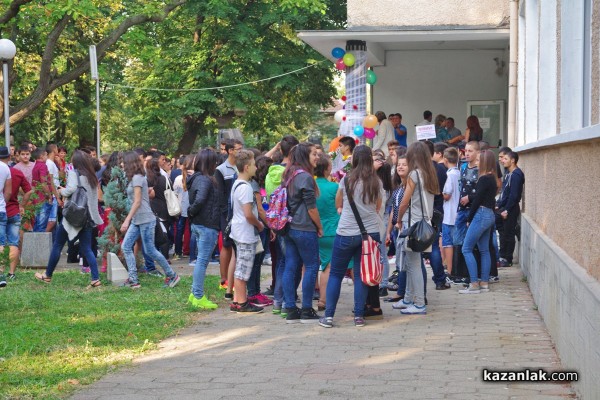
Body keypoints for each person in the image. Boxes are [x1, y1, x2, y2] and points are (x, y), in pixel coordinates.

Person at [319, 145, 383, 328]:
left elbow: (338, 202)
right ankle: (359, 317)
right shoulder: (376, 182)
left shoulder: (346, 180)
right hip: (369, 234)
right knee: (361, 275)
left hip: (346, 233)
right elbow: (378, 206)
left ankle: (329, 316)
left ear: (354, 159)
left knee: (336, 274)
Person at [34, 150, 103, 287]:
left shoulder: (74, 173)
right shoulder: (92, 176)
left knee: (58, 245)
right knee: (87, 248)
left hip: (73, 217)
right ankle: (95, 278)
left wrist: (60, 191)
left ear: (76, 162)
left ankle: (47, 275)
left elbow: (70, 189)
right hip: (88, 217)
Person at [119, 151, 180, 289]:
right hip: (138, 219)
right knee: (126, 246)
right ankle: (134, 279)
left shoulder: (138, 178)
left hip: (145, 219)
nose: (122, 164)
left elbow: (138, 201)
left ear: (130, 163)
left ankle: (172, 275)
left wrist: (126, 220)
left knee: (150, 250)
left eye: (124, 162)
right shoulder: (136, 177)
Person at [393, 141, 439, 314]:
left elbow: (405, 201)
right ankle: (408, 298)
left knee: (413, 264)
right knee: (413, 262)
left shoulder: (414, 174)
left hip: (413, 224)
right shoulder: (429, 173)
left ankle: (418, 303)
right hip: (424, 222)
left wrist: (398, 219)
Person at [282, 143, 323, 324]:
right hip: (304, 228)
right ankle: (307, 309)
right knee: (312, 266)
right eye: (314, 154)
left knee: (291, 266)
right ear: (305, 156)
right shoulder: (305, 177)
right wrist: (319, 227)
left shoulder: (289, 173)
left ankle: (290, 308)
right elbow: (311, 208)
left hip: (289, 228)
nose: (317, 157)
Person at [228, 149, 264, 313]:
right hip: (245, 232)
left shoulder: (237, 183)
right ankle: (242, 302)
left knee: (240, 267)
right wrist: (259, 224)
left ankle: (237, 300)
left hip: (238, 230)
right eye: (254, 164)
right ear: (247, 167)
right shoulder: (246, 188)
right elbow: (249, 214)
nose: (256, 168)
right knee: (243, 269)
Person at [459, 150, 498, 294]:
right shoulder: (492, 178)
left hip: (481, 214)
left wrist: (469, 219)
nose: (476, 161)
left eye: (479, 159)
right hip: (489, 215)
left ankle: (474, 283)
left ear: (484, 162)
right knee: (484, 250)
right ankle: (484, 283)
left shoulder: (483, 179)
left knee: (466, 248)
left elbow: (477, 200)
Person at [187, 149, 221, 310]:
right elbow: (199, 200)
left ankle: (195, 293)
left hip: (202, 223)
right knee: (202, 261)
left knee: (202, 260)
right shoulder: (204, 180)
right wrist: (191, 211)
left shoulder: (197, 178)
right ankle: (199, 295)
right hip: (206, 225)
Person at [215, 139, 243, 296]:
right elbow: (220, 194)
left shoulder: (241, 167)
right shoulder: (221, 170)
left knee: (236, 246)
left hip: (239, 212)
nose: (240, 151)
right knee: (226, 245)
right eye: (238, 149)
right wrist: (226, 213)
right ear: (230, 150)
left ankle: (233, 279)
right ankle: (223, 279)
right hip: (227, 213)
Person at [0, 147, 31, 284]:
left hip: (1, 210)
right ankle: (11, 273)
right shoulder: (15, 172)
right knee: (13, 242)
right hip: (13, 210)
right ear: (9, 157)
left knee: (0, 243)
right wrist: (22, 205)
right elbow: (29, 191)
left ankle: (0, 272)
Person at [314, 153, 338, 311]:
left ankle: (322, 300)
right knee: (334, 268)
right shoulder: (334, 187)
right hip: (334, 229)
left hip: (318, 230)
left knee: (325, 266)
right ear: (327, 168)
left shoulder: (313, 186)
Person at [496, 151, 524, 268]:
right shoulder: (508, 173)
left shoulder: (517, 174)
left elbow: (514, 195)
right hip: (504, 207)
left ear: (512, 160)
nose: (503, 161)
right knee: (503, 232)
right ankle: (502, 255)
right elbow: (505, 193)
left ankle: (508, 258)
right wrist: (498, 204)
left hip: (511, 209)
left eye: (505, 158)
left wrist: (506, 210)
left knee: (509, 234)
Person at [442, 147, 460, 279]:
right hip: (459, 213)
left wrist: (439, 193)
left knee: (448, 243)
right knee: (458, 242)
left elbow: (447, 195)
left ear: (445, 160)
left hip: (449, 214)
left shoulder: (449, 175)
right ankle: (457, 268)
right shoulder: (460, 173)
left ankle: (450, 270)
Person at [0, 147, 11, 287]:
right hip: (1, 209)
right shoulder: (6, 168)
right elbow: (8, 192)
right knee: (1, 243)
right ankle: (1, 274)